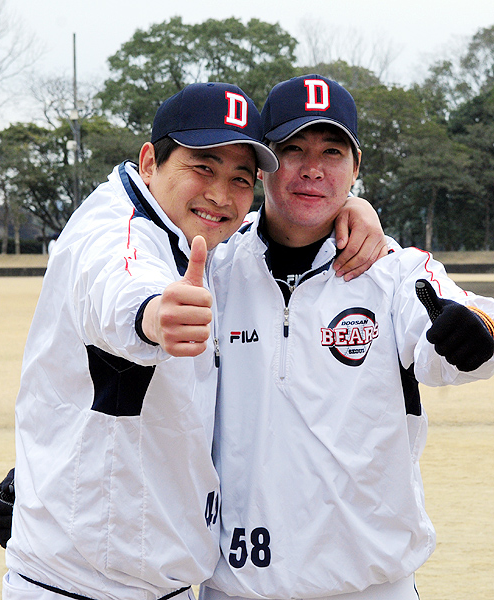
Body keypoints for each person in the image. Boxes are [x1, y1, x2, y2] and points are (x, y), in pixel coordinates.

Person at [0, 80, 387, 600]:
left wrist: (348, 209)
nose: (220, 195)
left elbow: (274, 227)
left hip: (160, 575)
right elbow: (120, 285)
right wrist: (154, 314)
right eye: (203, 166)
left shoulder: (197, 239)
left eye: (239, 178)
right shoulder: (117, 232)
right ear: (150, 162)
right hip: (81, 584)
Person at [197, 75, 494, 600]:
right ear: (265, 163)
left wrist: (477, 332)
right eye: (294, 149)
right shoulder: (212, 267)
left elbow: (456, 326)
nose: (313, 168)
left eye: (332, 151)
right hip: (237, 585)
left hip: (373, 587)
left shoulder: (396, 271)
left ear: (356, 167)